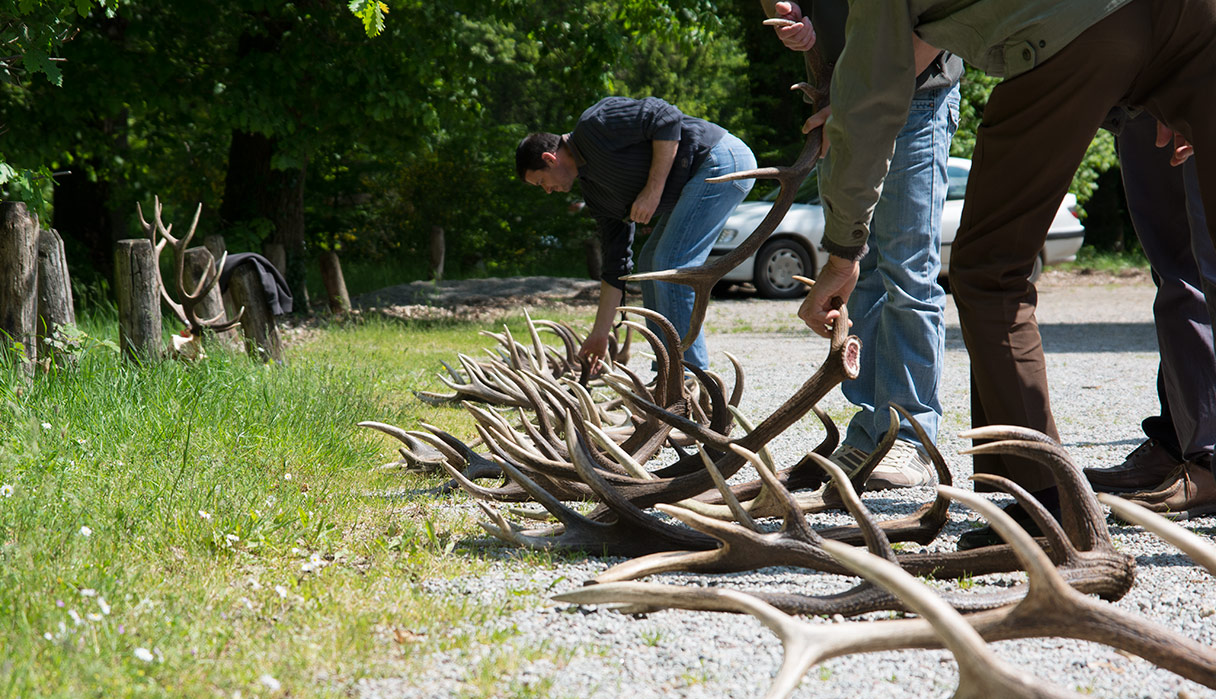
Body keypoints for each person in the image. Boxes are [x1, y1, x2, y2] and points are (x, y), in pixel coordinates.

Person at [774, 0, 1216, 548]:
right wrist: (1165, 84)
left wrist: (842, 251)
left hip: (1079, 31)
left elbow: (872, 104)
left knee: (989, 270)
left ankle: (1047, 510)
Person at [767, 0, 962, 489]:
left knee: (906, 270)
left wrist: (859, 103)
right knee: (864, 270)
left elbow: (949, 23)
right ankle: (873, 431)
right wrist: (797, 24)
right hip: (845, 97)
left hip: (916, 95)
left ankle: (911, 438)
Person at [516, 97, 756, 372]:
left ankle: (690, 376)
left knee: (670, 265)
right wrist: (600, 334)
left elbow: (666, 117)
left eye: (541, 182)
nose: (547, 190)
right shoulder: (596, 193)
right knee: (649, 264)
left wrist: (653, 190)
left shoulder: (595, 124)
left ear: (550, 158)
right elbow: (615, 264)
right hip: (700, 176)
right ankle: (667, 374)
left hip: (721, 160)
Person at [1083, 110, 1216, 518]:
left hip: (1189, 75)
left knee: (1198, 274)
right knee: (1173, 270)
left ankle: (1208, 461)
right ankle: (1178, 439)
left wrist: (1187, 92)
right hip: (1142, 91)